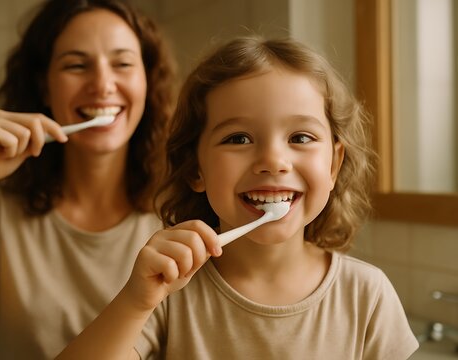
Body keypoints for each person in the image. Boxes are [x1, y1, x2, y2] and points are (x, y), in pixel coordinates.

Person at [57, 36, 419, 359]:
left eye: (301, 138)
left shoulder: (366, 296)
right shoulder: (168, 295)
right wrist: (136, 302)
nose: (274, 162)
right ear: (195, 169)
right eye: (239, 139)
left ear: (333, 164)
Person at [0, 0, 176, 359]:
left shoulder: (178, 209)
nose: (102, 84)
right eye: (76, 65)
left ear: (147, 80)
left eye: (123, 64)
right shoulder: (2, 205)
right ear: (44, 86)